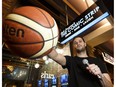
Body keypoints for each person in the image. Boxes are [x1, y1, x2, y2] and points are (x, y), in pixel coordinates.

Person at [48, 37, 113, 87]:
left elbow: (109, 86)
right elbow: (55, 56)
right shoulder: (70, 60)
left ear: (85, 44)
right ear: (74, 46)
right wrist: (45, 42)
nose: (78, 43)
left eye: (80, 41)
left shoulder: (98, 61)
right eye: (75, 43)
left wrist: (100, 75)